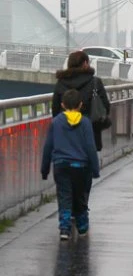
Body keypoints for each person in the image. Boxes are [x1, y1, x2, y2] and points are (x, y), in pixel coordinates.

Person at [41, 89, 100, 240]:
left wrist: (45, 168)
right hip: (81, 167)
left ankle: (65, 229)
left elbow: (48, 146)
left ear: (62, 105)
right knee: (80, 197)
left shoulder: (56, 122)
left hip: (61, 165)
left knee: (64, 196)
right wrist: (95, 168)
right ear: (80, 105)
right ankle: (82, 226)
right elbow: (90, 147)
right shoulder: (85, 123)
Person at [52, 50, 110, 152]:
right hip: (91, 134)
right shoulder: (95, 82)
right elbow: (105, 107)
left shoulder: (61, 82)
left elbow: (55, 110)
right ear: (85, 63)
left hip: (66, 135)